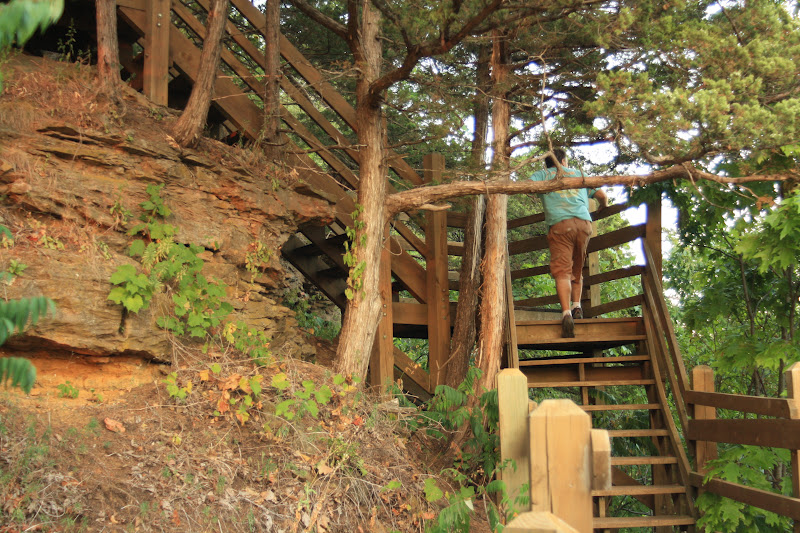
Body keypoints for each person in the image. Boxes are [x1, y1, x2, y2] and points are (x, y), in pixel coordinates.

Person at [529, 148, 608, 338]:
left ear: (546, 163)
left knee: (562, 271)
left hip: (560, 226)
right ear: (564, 161)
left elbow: (527, 188)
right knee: (577, 269)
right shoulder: (579, 174)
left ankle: (566, 314)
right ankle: (577, 306)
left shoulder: (541, 175)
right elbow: (603, 196)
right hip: (583, 225)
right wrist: (603, 209)